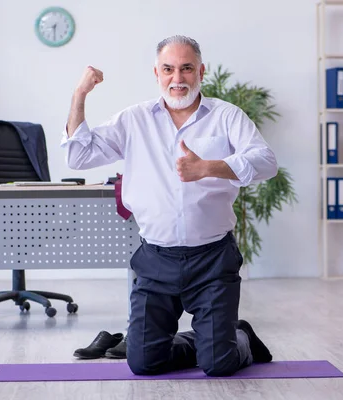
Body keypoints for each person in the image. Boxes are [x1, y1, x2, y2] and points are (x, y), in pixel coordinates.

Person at [61, 35, 278, 377]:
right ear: (157, 73)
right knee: (144, 363)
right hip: (155, 260)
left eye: (186, 68)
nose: (178, 78)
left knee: (219, 365)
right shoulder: (134, 120)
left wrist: (208, 166)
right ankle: (209, 339)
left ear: (201, 71)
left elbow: (266, 162)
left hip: (213, 259)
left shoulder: (225, 115)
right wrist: (79, 95)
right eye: (168, 69)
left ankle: (237, 338)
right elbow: (79, 155)